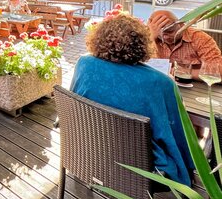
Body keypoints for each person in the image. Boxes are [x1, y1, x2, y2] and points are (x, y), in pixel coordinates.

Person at [71, 13, 193, 186]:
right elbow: (177, 132)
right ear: (143, 44)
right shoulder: (160, 82)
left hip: (89, 151)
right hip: (139, 167)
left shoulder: (85, 63)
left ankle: (122, 197)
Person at [148, 10, 222, 79]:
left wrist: (182, 72)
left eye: (170, 31)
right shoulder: (147, 37)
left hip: (196, 88)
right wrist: (150, 38)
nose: (165, 37)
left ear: (181, 25)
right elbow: (144, 66)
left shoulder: (200, 38)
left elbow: (218, 72)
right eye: (160, 34)